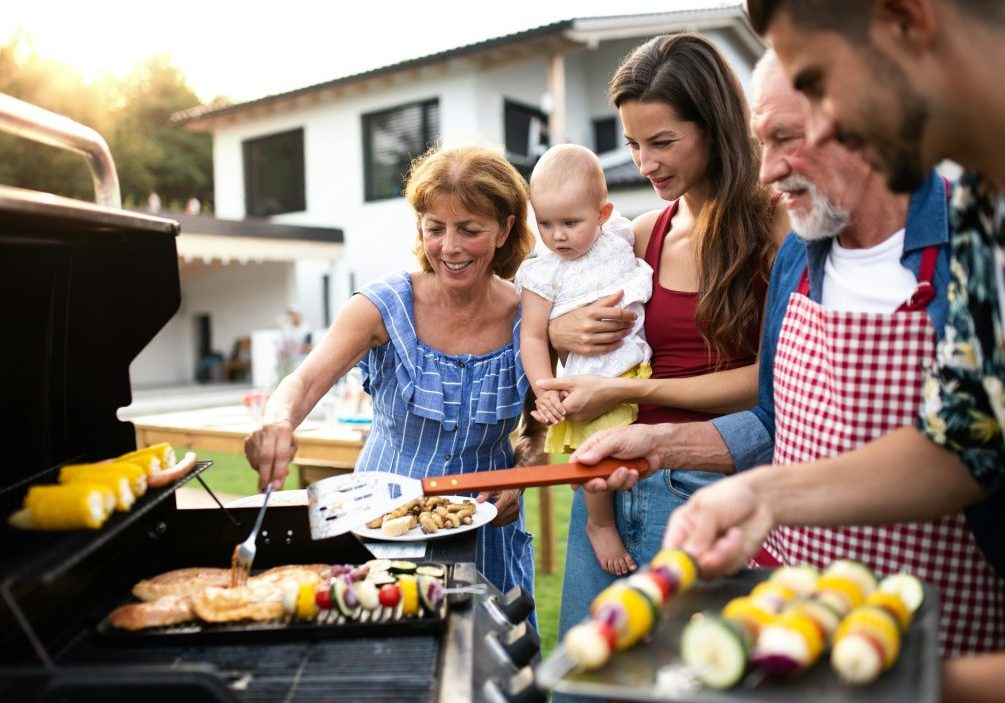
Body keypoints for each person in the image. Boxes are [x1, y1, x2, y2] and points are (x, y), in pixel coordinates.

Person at [574, 48, 1005, 656]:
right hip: (799, 621)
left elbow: (967, 452)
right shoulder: (801, 260)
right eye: (760, 141)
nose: (768, 170)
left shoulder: (976, 251)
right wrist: (661, 443)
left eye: (787, 138)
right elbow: (773, 424)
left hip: (943, 633)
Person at [542, 36, 784, 698]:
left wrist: (621, 392)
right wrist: (558, 328)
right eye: (631, 143)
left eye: (662, 141)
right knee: (587, 681)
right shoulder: (643, 231)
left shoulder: (774, 226)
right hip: (613, 484)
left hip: (702, 487)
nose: (643, 161)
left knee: (689, 681)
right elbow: (557, 294)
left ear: (714, 126)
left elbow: (770, 382)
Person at [244, 144, 543, 619]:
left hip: (487, 533)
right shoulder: (383, 306)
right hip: (381, 525)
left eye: (470, 229)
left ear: (505, 229)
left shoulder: (529, 316)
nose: (450, 246)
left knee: (490, 674)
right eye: (435, 228)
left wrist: (521, 478)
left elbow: (540, 427)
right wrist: (278, 422)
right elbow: (302, 382)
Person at [515, 143, 653, 576]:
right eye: (545, 223)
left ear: (604, 214)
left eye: (570, 223)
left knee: (633, 462)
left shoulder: (622, 237)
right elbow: (533, 337)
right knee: (595, 456)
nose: (557, 236)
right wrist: (544, 389)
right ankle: (600, 523)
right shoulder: (543, 272)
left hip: (640, 367)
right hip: (591, 376)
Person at [276, 303, 313, 379]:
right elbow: (283, 348)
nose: (294, 317)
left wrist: (297, 347)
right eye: (292, 314)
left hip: (303, 361)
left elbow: (308, 347)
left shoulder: (306, 329)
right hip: (289, 363)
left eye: (296, 314)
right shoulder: (286, 329)